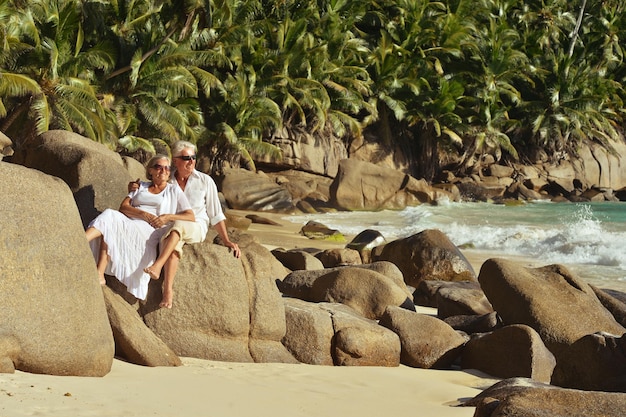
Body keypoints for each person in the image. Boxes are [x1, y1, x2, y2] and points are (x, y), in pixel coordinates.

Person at [137, 141, 241, 309]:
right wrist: (135, 187)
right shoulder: (167, 179)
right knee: (173, 245)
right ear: (176, 160)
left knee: (177, 225)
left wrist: (226, 240)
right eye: (186, 158)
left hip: (196, 226)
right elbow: (150, 189)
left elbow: (216, 214)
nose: (191, 161)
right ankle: (168, 291)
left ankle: (157, 266)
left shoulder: (205, 181)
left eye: (193, 157)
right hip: (171, 228)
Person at [86, 155, 195, 301]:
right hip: (131, 222)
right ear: (150, 170)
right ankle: (96, 266)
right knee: (110, 215)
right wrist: (143, 214)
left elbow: (190, 216)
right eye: (158, 167)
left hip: (150, 232)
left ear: (169, 172)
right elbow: (123, 207)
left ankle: (83, 244)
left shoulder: (173, 190)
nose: (163, 170)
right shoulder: (141, 186)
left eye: (167, 168)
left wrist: (168, 217)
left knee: (112, 221)